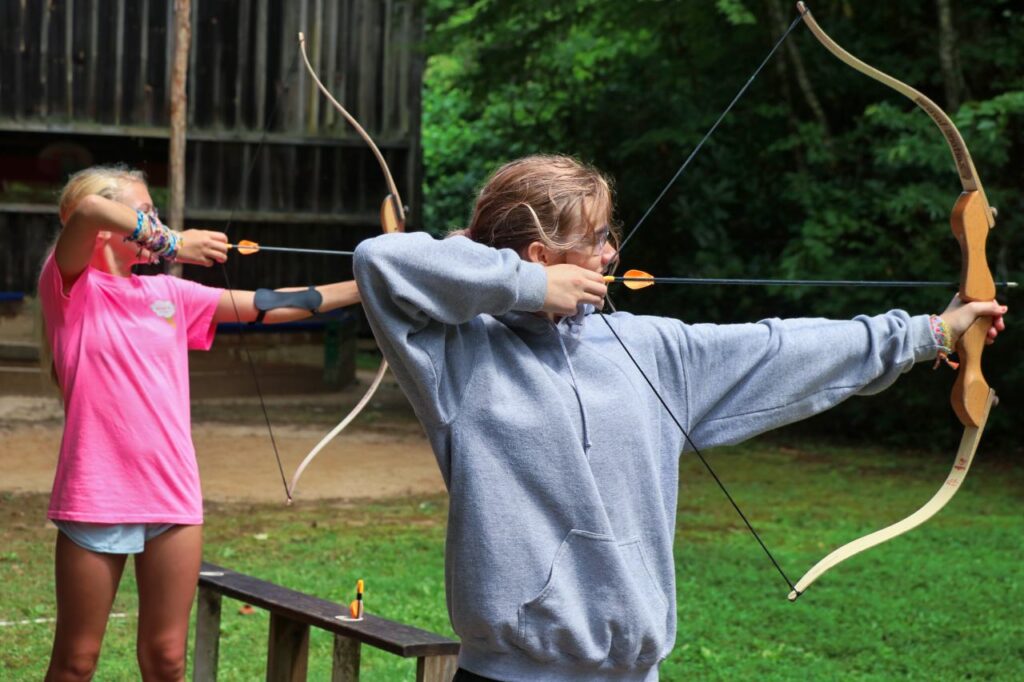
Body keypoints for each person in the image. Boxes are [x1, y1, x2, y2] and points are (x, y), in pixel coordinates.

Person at [352, 154, 1007, 682]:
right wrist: (526, 287)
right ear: (535, 253)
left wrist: (930, 333)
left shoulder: (652, 350)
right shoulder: (459, 356)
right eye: (596, 239)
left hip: (637, 672)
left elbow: (783, 347)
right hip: (507, 674)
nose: (610, 254)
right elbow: (382, 262)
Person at [39, 165, 360, 682]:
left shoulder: (169, 295)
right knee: (76, 662)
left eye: (155, 213)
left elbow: (270, 304)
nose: (153, 222)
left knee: (166, 659)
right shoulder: (71, 285)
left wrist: (368, 283)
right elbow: (89, 210)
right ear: (105, 234)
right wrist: (173, 241)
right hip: (96, 493)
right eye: (143, 213)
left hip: (172, 494)